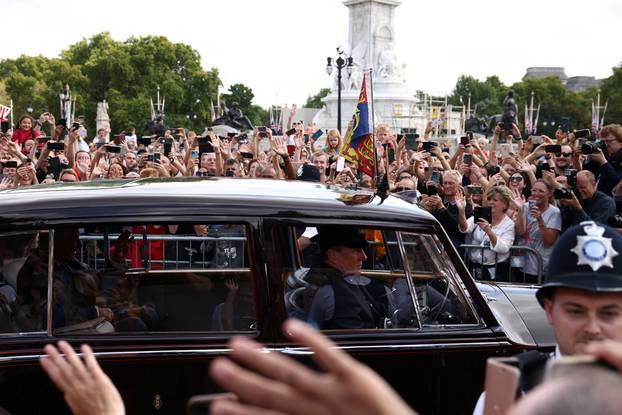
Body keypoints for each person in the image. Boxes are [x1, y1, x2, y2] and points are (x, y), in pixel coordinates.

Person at [473, 220, 622, 414]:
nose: (592, 328)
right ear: (550, 311)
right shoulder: (511, 393)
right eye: (575, 311)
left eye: (608, 313)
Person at [305, 227, 390, 329]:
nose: (364, 257)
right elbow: (355, 340)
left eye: (362, 250)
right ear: (333, 255)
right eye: (355, 251)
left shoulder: (344, 279)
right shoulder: (335, 292)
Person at [458, 185, 515, 281]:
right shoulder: (481, 214)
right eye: (489, 199)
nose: (491, 202)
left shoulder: (509, 224)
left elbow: (504, 248)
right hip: (474, 266)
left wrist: (489, 232)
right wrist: (461, 210)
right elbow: (465, 228)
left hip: (496, 270)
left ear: (505, 204)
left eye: (495, 200)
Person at [511, 179, 562, 282]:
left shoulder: (554, 212)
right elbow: (519, 232)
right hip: (521, 264)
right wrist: (520, 210)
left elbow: (549, 241)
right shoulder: (524, 207)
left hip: (541, 267)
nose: (536, 194)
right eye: (534, 190)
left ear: (549, 193)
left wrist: (540, 219)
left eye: (541, 191)